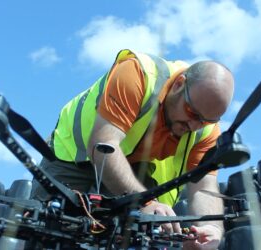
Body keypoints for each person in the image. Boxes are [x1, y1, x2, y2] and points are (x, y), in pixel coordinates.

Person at [32, 49, 234, 250]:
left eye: (207, 121)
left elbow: (203, 186)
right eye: (192, 113)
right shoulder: (137, 74)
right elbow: (104, 146)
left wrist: (211, 228)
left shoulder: (207, 131)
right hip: (73, 155)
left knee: (143, 239)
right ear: (179, 85)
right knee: (46, 229)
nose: (195, 125)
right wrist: (144, 202)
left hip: (134, 172)